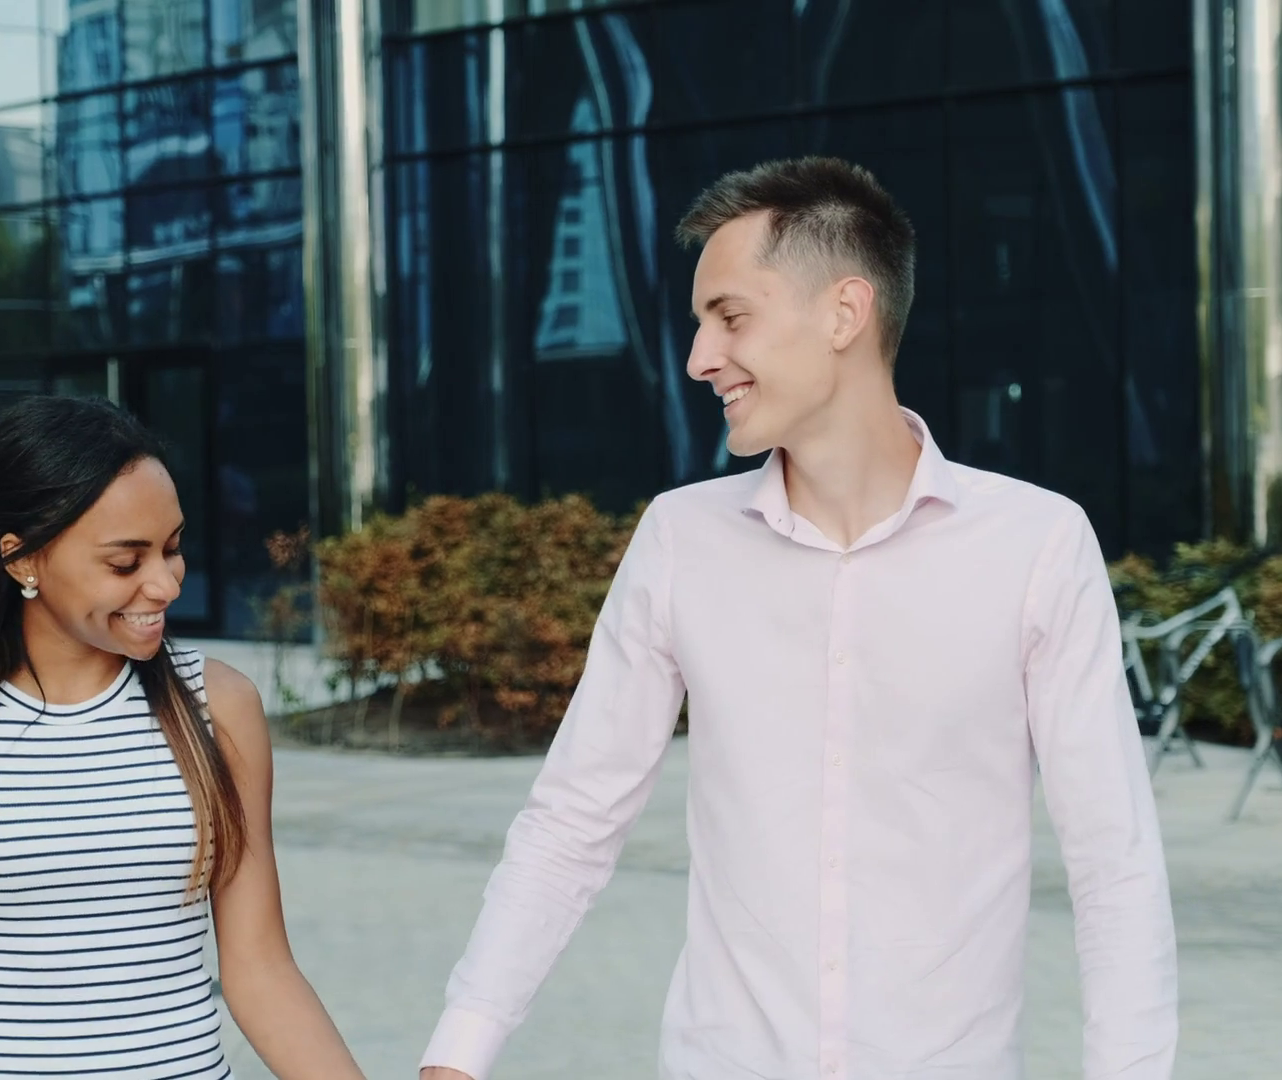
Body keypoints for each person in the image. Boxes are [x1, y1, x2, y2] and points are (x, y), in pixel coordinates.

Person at [419, 157, 1177, 1079]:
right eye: (700, 324)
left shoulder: (1038, 545)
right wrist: (459, 1052)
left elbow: (1115, 864)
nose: (699, 358)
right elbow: (572, 820)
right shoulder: (679, 540)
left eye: (729, 317)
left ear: (844, 314)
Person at [0, 396, 365, 1080]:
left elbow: (261, 968)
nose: (165, 583)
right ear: (24, 560)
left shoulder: (219, 708)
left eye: (173, 549)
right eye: (126, 563)